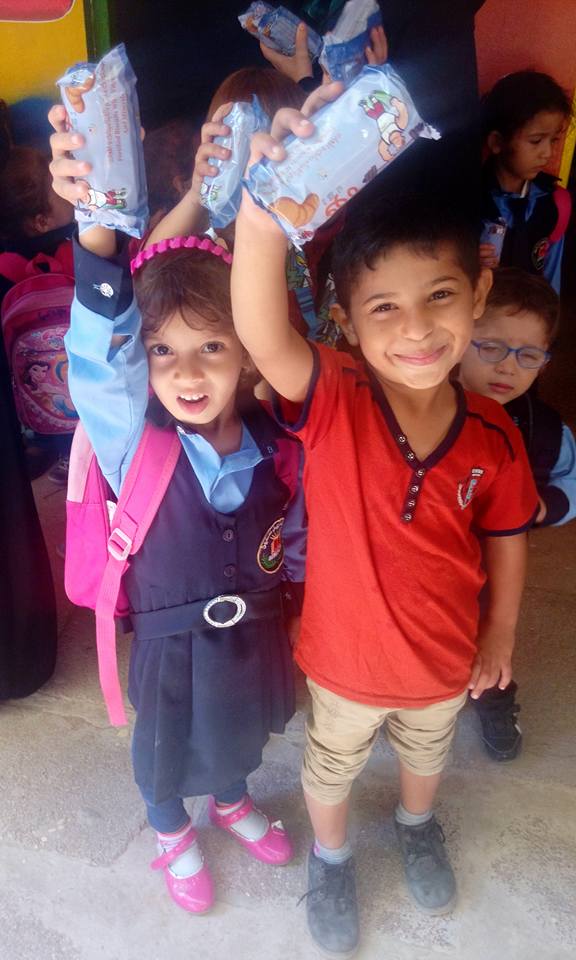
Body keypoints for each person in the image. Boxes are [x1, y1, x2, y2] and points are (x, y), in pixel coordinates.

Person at [230, 86, 539, 956]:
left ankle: (415, 825)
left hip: (444, 662)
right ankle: (330, 858)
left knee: (427, 758)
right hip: (343, 662)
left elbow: (507, 532)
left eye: (439, 296)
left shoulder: (492, 432)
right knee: (328, 765)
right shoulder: (337, 400)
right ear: (349, 324)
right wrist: (261, 215)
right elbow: (261, 331)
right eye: (384, 310)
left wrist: (501, 632)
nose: (416, 330)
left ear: (478, 292)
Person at [48, 106, 306, 916]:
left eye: (213, 349)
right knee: (163, 750)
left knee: (236, 728)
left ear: (249, 353)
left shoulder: (273, 438)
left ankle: (228, 799)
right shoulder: (139, 438)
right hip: (167, 642)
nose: (186, 372)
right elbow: (103, 354)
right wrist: (97, 236)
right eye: (164, 351)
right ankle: (170, 833)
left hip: (254, 630)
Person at [458, 267, 575, 761]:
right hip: (420, 561)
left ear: (545, 362)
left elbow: (570, 480)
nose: (508, 367)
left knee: (488, 633)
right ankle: (397, 700)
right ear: (460, 336)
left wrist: (547, 505)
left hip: (494, 569)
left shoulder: (545, 429)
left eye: (528, 355)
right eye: (491, 347)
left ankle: (492, 697)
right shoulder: (419, 403)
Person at [479, 70, 573, 294]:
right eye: (536, 141)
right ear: (497, 142)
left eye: (554, 140)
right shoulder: (467, 203)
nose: (548, 153)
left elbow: (551, 281)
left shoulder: (556, 203)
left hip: (528, 322)